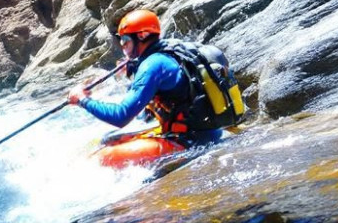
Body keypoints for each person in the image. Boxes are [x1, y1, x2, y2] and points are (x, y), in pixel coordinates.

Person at [68, 9, 225, 163]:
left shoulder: (152, 65)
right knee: (109, 140)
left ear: (141, 36)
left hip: (190, 141)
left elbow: (120, 116)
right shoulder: (169, 51)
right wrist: (131, 70)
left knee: (102, 157)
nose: (123, 47)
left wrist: (82, 100)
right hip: (205, 131)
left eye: (125, 41)